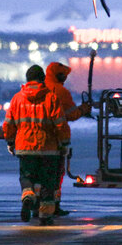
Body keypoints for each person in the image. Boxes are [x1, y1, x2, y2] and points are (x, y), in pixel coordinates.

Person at [3, 65, 68, 226]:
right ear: (42, 79)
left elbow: (8, 124)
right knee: (48, 182)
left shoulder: (17, 99)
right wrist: (64, 142)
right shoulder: (51, 98)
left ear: (27, 79)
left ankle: (28, 197)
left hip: (25, 147)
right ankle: (45, 216)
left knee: (27, 177)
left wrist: (10, 141)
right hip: (48, 148)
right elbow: (60, 124)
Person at [45, 62, 91, 216]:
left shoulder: (39, 90)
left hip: (30, 143)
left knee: (35, 177)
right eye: (64, 75)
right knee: (55, 177)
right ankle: (53, 207)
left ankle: (33, 203)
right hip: (53, 142)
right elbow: (72, 115)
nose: (65, 78)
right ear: (59, 75)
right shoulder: (61, 92)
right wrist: (84, 109)